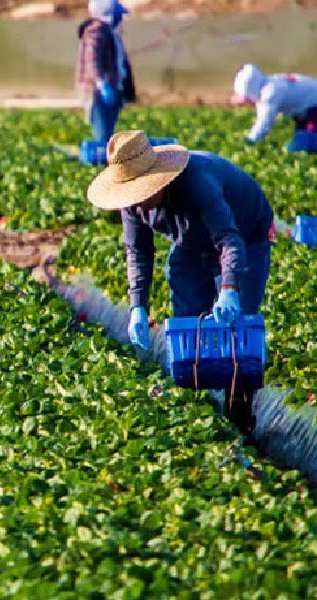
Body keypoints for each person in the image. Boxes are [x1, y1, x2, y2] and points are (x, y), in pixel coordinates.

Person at [86, 130, 275, 434]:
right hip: (190, 241)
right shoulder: (132, 204)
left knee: (237, 327)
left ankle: (240, 414)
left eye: (143, 191)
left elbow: (230, 240)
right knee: (189, 316)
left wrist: (229, 289)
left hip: (244, 234)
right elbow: (138, 253)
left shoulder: (198, 182)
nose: (139, 199)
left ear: (158, 179)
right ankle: (198, 413)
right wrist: (138, 306)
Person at [76, 0, 136, 144]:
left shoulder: (109, 32)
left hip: (111, 88)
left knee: (109, 131)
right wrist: (102, 83)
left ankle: (107, 154)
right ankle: (102, 158)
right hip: (98, 91)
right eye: (117, 15)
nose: (120, 18)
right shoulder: (96, 31)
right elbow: (92, 58)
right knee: (102, 131)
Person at [233, 64, 317, 152]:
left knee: (301, 146)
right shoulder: (271, 83)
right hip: (305, 110)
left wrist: (250, 141)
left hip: (313, 108)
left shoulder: (269, 94)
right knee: (299, 141)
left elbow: (264, 122)